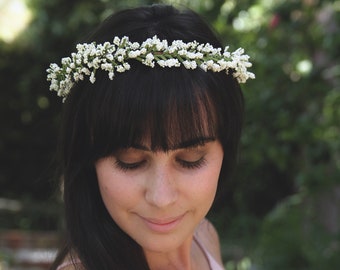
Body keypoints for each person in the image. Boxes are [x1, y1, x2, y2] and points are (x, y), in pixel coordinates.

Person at [47, 4, 254, 270]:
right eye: (130, 160)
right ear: (88, 157)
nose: (161, 198)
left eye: (191, 159)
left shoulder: (204, 237)